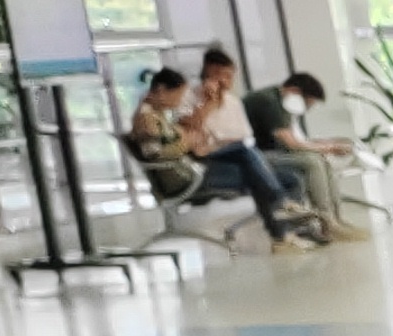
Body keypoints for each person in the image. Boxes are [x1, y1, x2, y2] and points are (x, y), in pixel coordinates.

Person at [179, 47, 324, 243]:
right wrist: (210, 105)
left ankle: (293, 232)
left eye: (229, 76)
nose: (224, 81)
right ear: (206, 75)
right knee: (248, 157)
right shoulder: (187, 98)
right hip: (209, 163)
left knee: (291, 179)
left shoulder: (233, 102)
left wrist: (217, 138)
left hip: (238, 157)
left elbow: (244, 136)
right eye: (218, 75)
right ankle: (281, 211)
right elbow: (190, 131)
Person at [243, 68, 373, 240]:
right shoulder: (268, 102)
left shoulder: (279, 101)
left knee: (320, 158)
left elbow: (295, 140)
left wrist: (326, 145)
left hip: (268, 154)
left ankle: (336, 220)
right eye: (307, 104)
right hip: (252, 158)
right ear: (295, 92)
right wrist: (330, 148)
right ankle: (328, 223)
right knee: (313, 161)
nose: (306, 110)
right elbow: (291, 144)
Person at [120, 67, 198, 200]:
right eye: (179, 94)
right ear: (162, 90)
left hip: (181, 172)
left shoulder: (156, 114)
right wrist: (185, 144)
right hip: (179, 179)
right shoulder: (146, 119)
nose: (180, 100)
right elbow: (154, 153)